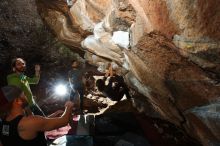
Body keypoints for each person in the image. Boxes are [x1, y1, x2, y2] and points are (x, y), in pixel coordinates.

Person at [0, 85, 74, 146]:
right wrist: (69, 106)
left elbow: (39, 124)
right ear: (18, 101)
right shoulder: (30, 122)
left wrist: (55, 114)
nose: (26, 96)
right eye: (24, 94)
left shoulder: (4, 122)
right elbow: (64, 121)